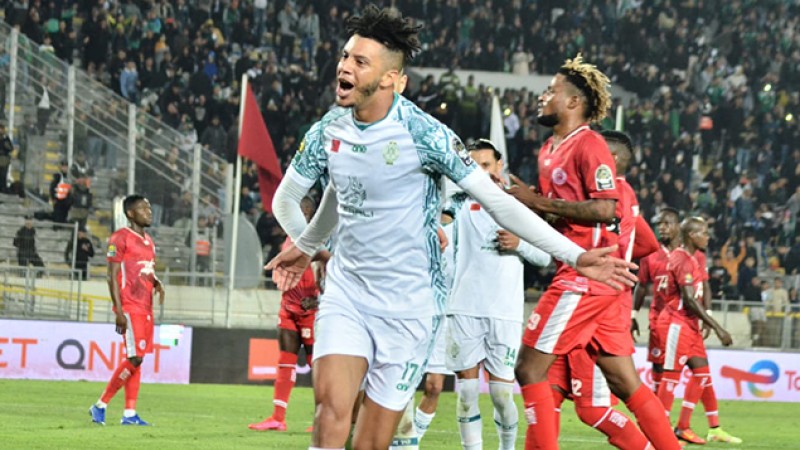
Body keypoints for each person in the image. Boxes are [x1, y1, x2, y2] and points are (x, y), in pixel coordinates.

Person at [266, 10, 636, 450]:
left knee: (369, 443)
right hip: (347, 294)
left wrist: (575, 255)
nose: (345, 67)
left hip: (411, 305)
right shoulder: (329, 129)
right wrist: (313, 247)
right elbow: (295, 198)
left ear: (392, 79)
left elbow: (498, 201)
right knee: (329, 412)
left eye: (361, 61)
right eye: (346, 56)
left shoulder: (425, 135)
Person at [505, 54, 680, 450]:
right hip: (592, 279)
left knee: (530, 370)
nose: (542, 96)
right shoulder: (549, 150)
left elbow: (605, 209)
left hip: (584, 277)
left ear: (573, 102)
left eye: (551, 91)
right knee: (620, 381)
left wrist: (540, 203)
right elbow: (561, 218)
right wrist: (530, 207)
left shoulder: (589, 143)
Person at [547, 130, 659, 450]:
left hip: (593, 301)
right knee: (545, 387)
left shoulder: (610, 199)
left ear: (613, 159)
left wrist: (611, 262)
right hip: (583, 295)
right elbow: (647, 243)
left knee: (594, 406)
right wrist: (622, 256)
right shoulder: (623, 195)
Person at [444, 138, 552, 450]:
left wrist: (520, 244)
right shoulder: (457, 202)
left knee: (502, 395)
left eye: (486, 165)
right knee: (466, 394)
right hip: (464, 307)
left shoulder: (518, 204)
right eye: (474, 166)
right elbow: (442, 230)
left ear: (499, 165)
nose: (481, 172)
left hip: (504, 311)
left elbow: (545, 257)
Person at [654, 217, 740, 444]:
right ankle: (659, 432)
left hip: (690, 325)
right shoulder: (681, 259)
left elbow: (698, 294)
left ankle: (683, 427)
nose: (708, 237)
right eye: (704, 233)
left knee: (702, 375)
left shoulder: (692, 258)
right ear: (692, 236)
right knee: (670, 378)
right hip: (676, 324)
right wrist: (718, 327)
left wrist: (705, 320)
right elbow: (689, 299)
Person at [89, 195, 164, 426]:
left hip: (146, 306)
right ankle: (100, 405)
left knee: (137, 359)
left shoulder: (149, 240)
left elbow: (143, 269)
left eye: (149, 208)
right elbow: (111, 276)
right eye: (143, 209)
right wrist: (119, 312)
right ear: (131, 214)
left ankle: (130, 414)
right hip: (130, 306)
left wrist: (156, 281)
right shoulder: (120, 238)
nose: (149, 212)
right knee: (135, 358)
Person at [249, 197, 320, 432]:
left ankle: (323, 418)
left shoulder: (319, 239)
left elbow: (329, 269)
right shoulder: (289, 237)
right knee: (285, 362)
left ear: (308, 212)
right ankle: (278, 418)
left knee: (317, 364)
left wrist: (319, 297)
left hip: (312, 309)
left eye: (299, 211)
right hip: (288, 307)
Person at [633, 207, 682, 394]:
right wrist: (633, 315)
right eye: (659, 224)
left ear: (677, 226)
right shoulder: (651, 253)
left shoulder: (688, 252)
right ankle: (658, 403)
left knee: (694, 363)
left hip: (683, 318)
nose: (661, 227)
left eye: (666, 223)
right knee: (658, 362)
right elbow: (641, 286)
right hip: (659, 318)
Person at [0, 122, 13, 193]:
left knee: (3, 176)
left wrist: (5, 142)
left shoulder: (6, 139)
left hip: (4, 160)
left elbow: (10, 148)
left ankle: (3, 189)